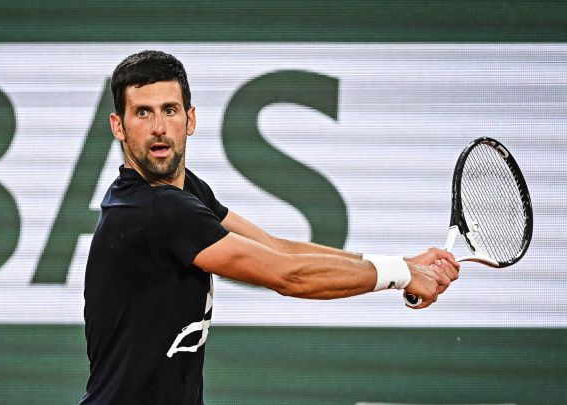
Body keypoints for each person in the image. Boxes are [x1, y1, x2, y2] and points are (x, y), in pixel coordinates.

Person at [79, 50, 459, 405]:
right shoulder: (157, 209)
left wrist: (402, 264)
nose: (159, 127)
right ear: (119, 126)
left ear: (190, 119)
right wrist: (400, 275)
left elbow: (277, 249)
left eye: (170, 110)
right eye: (142, 113)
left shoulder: (183, 191)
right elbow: (288, 276)